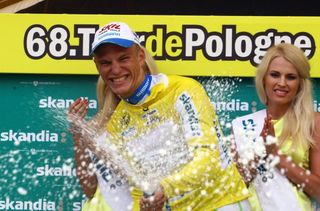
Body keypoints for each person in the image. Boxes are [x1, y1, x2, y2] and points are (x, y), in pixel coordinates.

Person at [69, 21, 250, 211]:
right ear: (97, 66)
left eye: (123, 59)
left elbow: (208, 158)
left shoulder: (182, 90)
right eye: (106, 63)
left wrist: (164, 188)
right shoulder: (117, 123)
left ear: (140, 56)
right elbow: (140, 188)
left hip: (221, 204)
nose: (115, 69)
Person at [232, 43, 320, 211]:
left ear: (301, 83)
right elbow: (233, 189)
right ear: (264, 78)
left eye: (290, 77)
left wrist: (276, 155)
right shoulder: (243, 125)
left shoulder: (314, 123)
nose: (282, 83)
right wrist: (259, 153)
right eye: (275, 75)